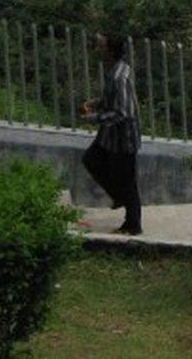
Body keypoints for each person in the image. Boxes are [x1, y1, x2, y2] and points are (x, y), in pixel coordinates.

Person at [81, 33, 142, 235]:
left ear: (110, 50)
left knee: (128, 181)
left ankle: (133, 225)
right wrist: (97, 103)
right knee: (91, 159)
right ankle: (118, 196)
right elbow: (114, 100)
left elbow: (124, 113)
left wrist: (94, 118)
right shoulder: (117, 70)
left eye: (100, 46)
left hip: (123, 138)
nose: (97, 49)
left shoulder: (119, 77)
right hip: (110, 136)